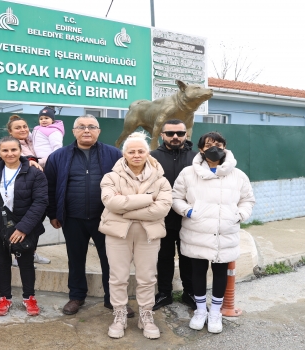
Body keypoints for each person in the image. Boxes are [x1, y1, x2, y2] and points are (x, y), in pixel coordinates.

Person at [44, 114, 135, 317]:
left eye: (92, 126)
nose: (87, 130)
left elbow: (128, 183)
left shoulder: (114, 155)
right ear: (74, 131)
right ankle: (76, 296)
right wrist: (53, 213)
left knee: (111, 260)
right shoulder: (58, 156)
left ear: (98, 131)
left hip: (106, 218)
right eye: (82, 127)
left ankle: (114, 299)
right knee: (75, 259)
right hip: (72, 218)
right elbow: (49, 186)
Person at [172, 131, 255, 334]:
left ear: (225, 147)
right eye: (209, 144)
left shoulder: (238, 175)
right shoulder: (187, 173)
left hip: (224, 233)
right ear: (201, 149)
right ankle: (201, 310)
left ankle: (215, 312)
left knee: (220, 274)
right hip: (197, 231)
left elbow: (248, 200)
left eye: (219, 144)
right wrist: (189, 211)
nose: (214, 148)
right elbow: (176, 198)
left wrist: (239, 214)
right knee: (197, 273)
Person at [99, 132, 172, 339]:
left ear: (148, 153)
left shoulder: (161, 180)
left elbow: (162, 209)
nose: (137, 155)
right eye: (132, 151)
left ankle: (146, 315)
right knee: (118, 277)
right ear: (124, 154)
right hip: (117, 234)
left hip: (148, 235)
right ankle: (119, 315)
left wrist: (127, 208)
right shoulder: (111, 177)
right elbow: (111, 203)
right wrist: (148, 199)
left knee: (147, 278)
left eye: (141, 151)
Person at [0, 136, 48, 316]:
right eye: (5, 150)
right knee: (1, 261)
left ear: (21, 151)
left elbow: (40, 202)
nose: (10, 153)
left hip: (23, 225)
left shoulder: (34, 172)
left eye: (14, 150)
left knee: (25, 262)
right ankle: (5, 297)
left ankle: (29, 297)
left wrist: (23, 228)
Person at [150, 119, 198, 311]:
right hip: (162, 218)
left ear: (186, 135)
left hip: (189, 218)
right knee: (164, 257)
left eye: (180, 133)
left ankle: (191, 293)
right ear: (162, 136)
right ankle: (164, 293)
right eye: (170, 133)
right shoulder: (152, 158)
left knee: (189, 258)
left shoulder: (197, 159)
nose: (175, 137)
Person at [7, 114, 51, 265]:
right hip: (23, 190)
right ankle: (18, 255)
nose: (23, 129)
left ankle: (32, 252)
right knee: (21, 223)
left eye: (25, 126)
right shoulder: (12, 145)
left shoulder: (33, 141)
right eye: (17, 128)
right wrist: (29, 161)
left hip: (39, 188)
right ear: (10, 132)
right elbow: (14, 159)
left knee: (36, 223)